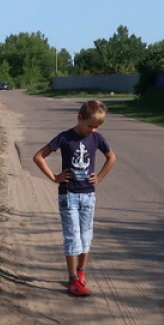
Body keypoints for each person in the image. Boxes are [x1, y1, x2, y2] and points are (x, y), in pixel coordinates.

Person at [31, 100, 117, 297]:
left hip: (88, 195)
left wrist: (101, 176)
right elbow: (38, 156)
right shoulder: (65, 137)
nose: (93, 130)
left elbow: (111, 157)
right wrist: (54, 177)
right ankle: (72, 280)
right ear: (80, 118)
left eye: (97, 127)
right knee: (73, 237)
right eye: (90, 125)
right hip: (68, 195)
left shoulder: (97, 138)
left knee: (86, 235)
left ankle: (81, 271)